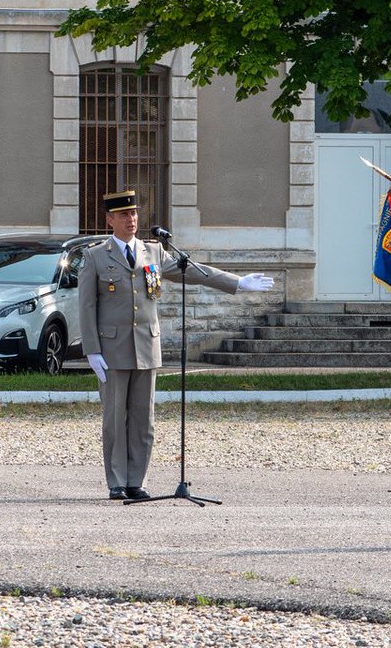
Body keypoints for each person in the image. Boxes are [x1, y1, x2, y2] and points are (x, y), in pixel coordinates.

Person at [79, 190, 274, 500]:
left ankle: (136, 480)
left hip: (146, 347)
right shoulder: (95, 256)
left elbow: (193, 272)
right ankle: (116, 481)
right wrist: (92, 349)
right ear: (110, 220)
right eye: (124, 215)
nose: (132, 220)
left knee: (144, 419)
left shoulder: (152, 252)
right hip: (112, 349)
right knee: (115, 419)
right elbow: (87, 305)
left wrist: (236, 282)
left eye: (134, 214)